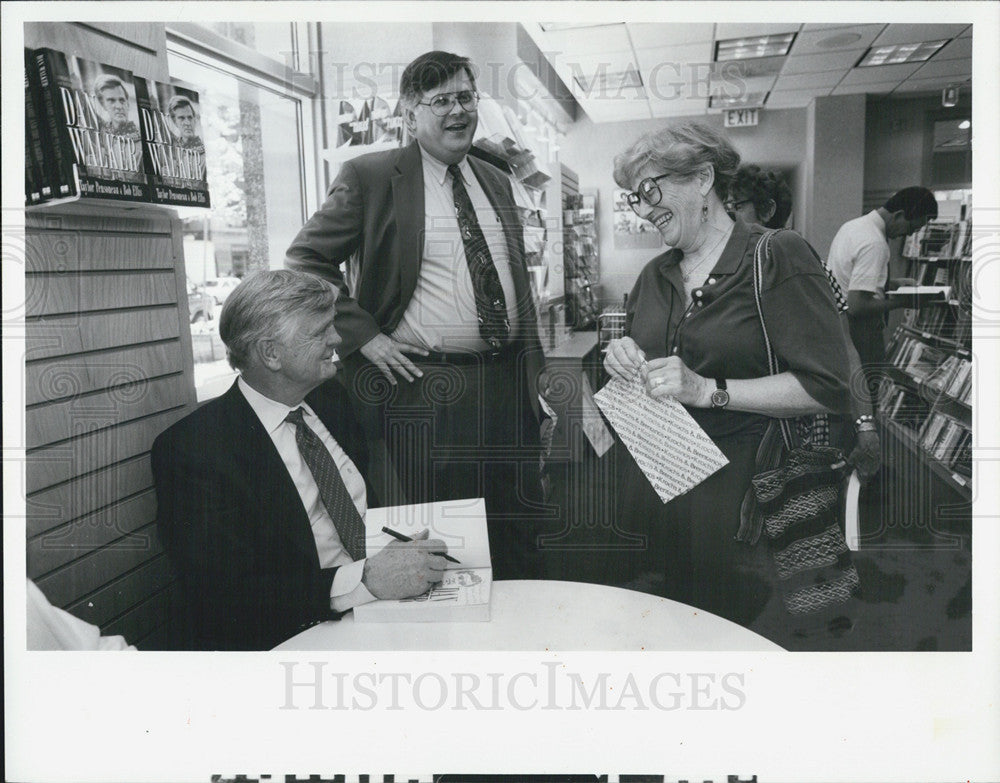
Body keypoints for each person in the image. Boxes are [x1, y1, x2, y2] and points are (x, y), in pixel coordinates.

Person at [285, 51, 549, 579]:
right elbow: (304, 259)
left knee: (518, 525)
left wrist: (533, 383)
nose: (458, 112)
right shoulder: (371, 176)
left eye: (466, 98)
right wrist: (365, 337)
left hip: (505, 386)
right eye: (441, 101)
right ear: (409, 114)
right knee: (447, 540)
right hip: (427, 387)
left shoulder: (495, 180)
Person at [603, 122, 853, 627]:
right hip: (665, 489)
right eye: (634, 198)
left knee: (741, 641)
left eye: (651, 189)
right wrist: (619, 357)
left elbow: (827, 386)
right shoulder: (654, 275)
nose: (644, 208)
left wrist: (706, 389)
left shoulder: (776, 254)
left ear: (701, 179)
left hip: (748, 507)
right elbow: (648, 363)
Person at [151, 270, 449, 650]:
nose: (337, 339)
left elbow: (359, 507)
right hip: (298, 632)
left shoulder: (329, 398)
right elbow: (226, 593)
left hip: (388, 604)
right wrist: (367, 579)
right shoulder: (194, 451)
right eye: (319, 332)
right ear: (271, 354)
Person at [726, 165, 880, 480]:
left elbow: (845, 351)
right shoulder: (730, 271)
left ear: (768, 210)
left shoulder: (809, 269)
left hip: (795, 433)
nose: (728, 216)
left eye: (737, 206)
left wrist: (865, 426)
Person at [827, 187, 938, 407]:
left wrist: (893, 284)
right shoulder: (875, 243)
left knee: (850, 398)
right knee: (865, 398)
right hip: (861, 332)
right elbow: (857, 305)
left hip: (839, 328)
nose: (907, 236)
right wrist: (905, 301)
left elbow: (851, 281)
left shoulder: (852, 227)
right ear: (898, 215)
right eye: (910, 228)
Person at [93, 74, 140, 140]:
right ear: (103, 105)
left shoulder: (141, 134)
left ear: (128, 104)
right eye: (112, 101)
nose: (119, 106)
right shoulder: (102, 134)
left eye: (122, 100)